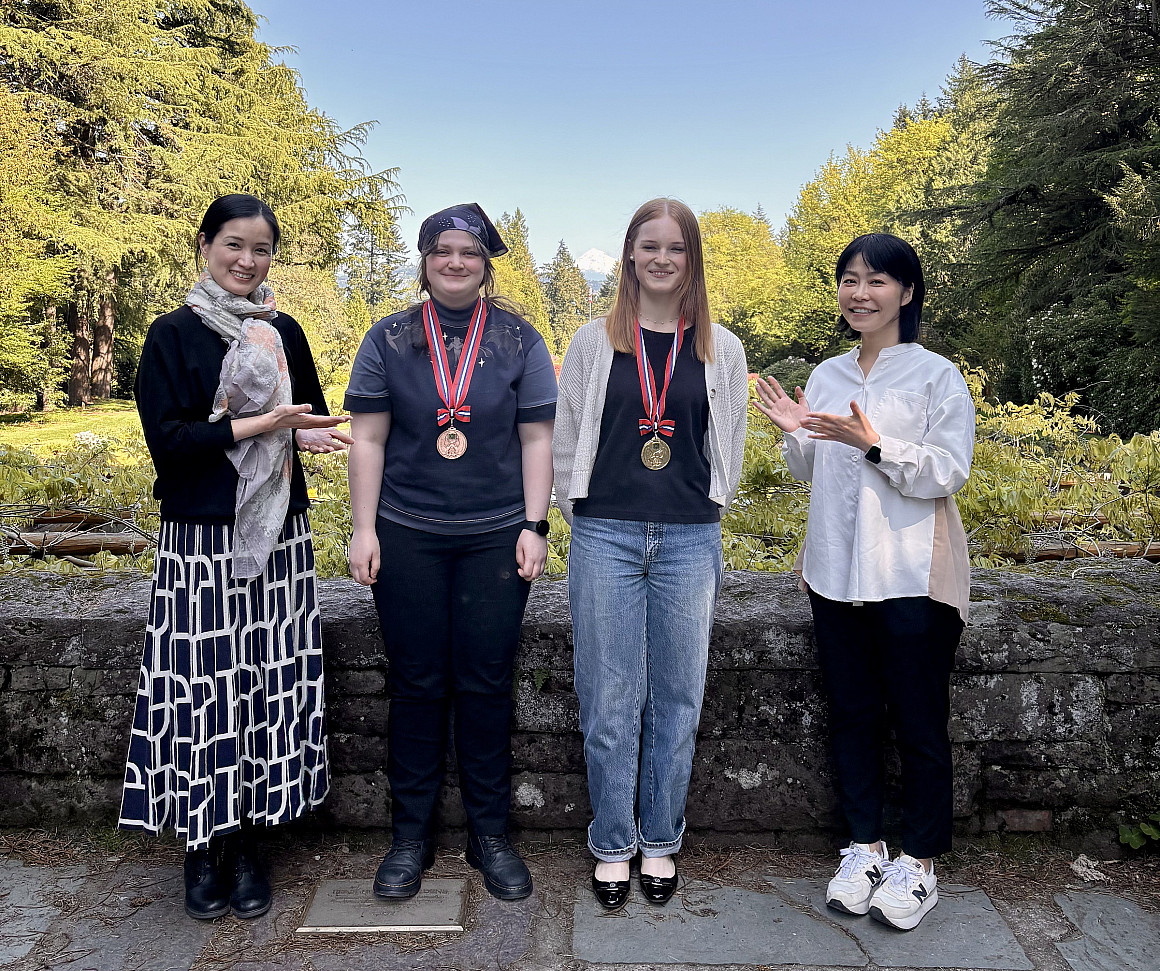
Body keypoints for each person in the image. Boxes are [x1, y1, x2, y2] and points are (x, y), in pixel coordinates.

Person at [120, 194, 350, 921]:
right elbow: (174, 445)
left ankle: (250, 839)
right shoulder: (172, 335)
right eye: (234, 245)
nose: (248, 260)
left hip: (279, 531)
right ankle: (201, 842)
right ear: (205, 245)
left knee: (263, 682)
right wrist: (263, 423)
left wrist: (311, 435)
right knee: (201, 687)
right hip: (200, 538)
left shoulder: (284, 331)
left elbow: (303, 416)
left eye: (261, 249)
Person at [755, 232, 975, 931]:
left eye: (877, 280)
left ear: (906, 292)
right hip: (834, 571)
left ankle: (921, 863)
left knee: (917, 721)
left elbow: (947, 470)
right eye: (849, 279)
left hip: (911, 571)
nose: (860, 292)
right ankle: (865, 847)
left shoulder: (937, 376)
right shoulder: (828, 375)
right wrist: (796, 430)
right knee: (850, 713)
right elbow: (809, 471)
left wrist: (873, 443)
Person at [345, 203, 556, 903]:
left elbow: (536, 442)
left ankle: (489, 833)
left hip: (497, 536)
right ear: (426, 261)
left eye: (469, 252)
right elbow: (368, 438)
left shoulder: (521, 341)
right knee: (416, 683)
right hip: (408, 533)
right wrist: (364, 528)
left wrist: (535, 525)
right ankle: (410, 834)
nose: (456, 262)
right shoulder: (389, 338)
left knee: (487, 682)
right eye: (443, 251)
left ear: (486, 264)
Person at [554, 198, 749, 911]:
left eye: (676, 247)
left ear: (691, 259)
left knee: (677, 696)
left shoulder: (719, 347)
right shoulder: (591, 341)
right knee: (608, 697)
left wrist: (711, 509)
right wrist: (580, 514)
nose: (662, 258)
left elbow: (728, 436)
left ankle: (661, 836)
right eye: (649, 245)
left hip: (690, 538)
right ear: (630, 255)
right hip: (606, 534)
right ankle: (613, 841)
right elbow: (567, 433)